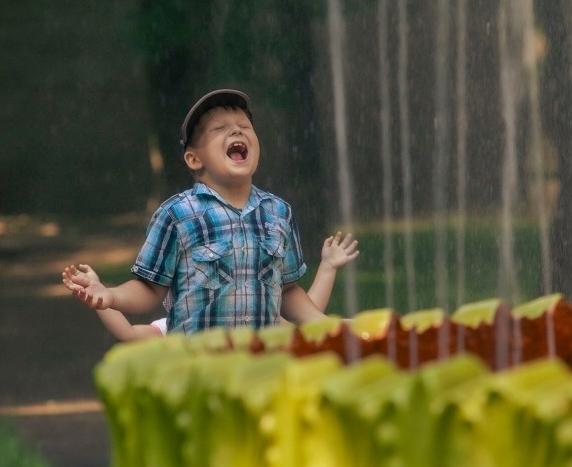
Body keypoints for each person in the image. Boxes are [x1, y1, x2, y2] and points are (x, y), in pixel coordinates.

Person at [64, 88, 335, 333]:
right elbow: (149, 289)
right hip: (198, 370)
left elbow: (288, 291)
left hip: (261, 370)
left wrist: (328, 326)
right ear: (194, 159)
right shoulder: (177, 215)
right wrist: (109, 296)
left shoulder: (279, 213)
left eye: (245, 125)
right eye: (219, 129)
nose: (236, 131)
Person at [64, 232, 359, 342]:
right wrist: (101, 295)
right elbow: (127, 333)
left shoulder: (264, 320)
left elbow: (310, 316)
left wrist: (328, 267)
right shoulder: (175, 331)